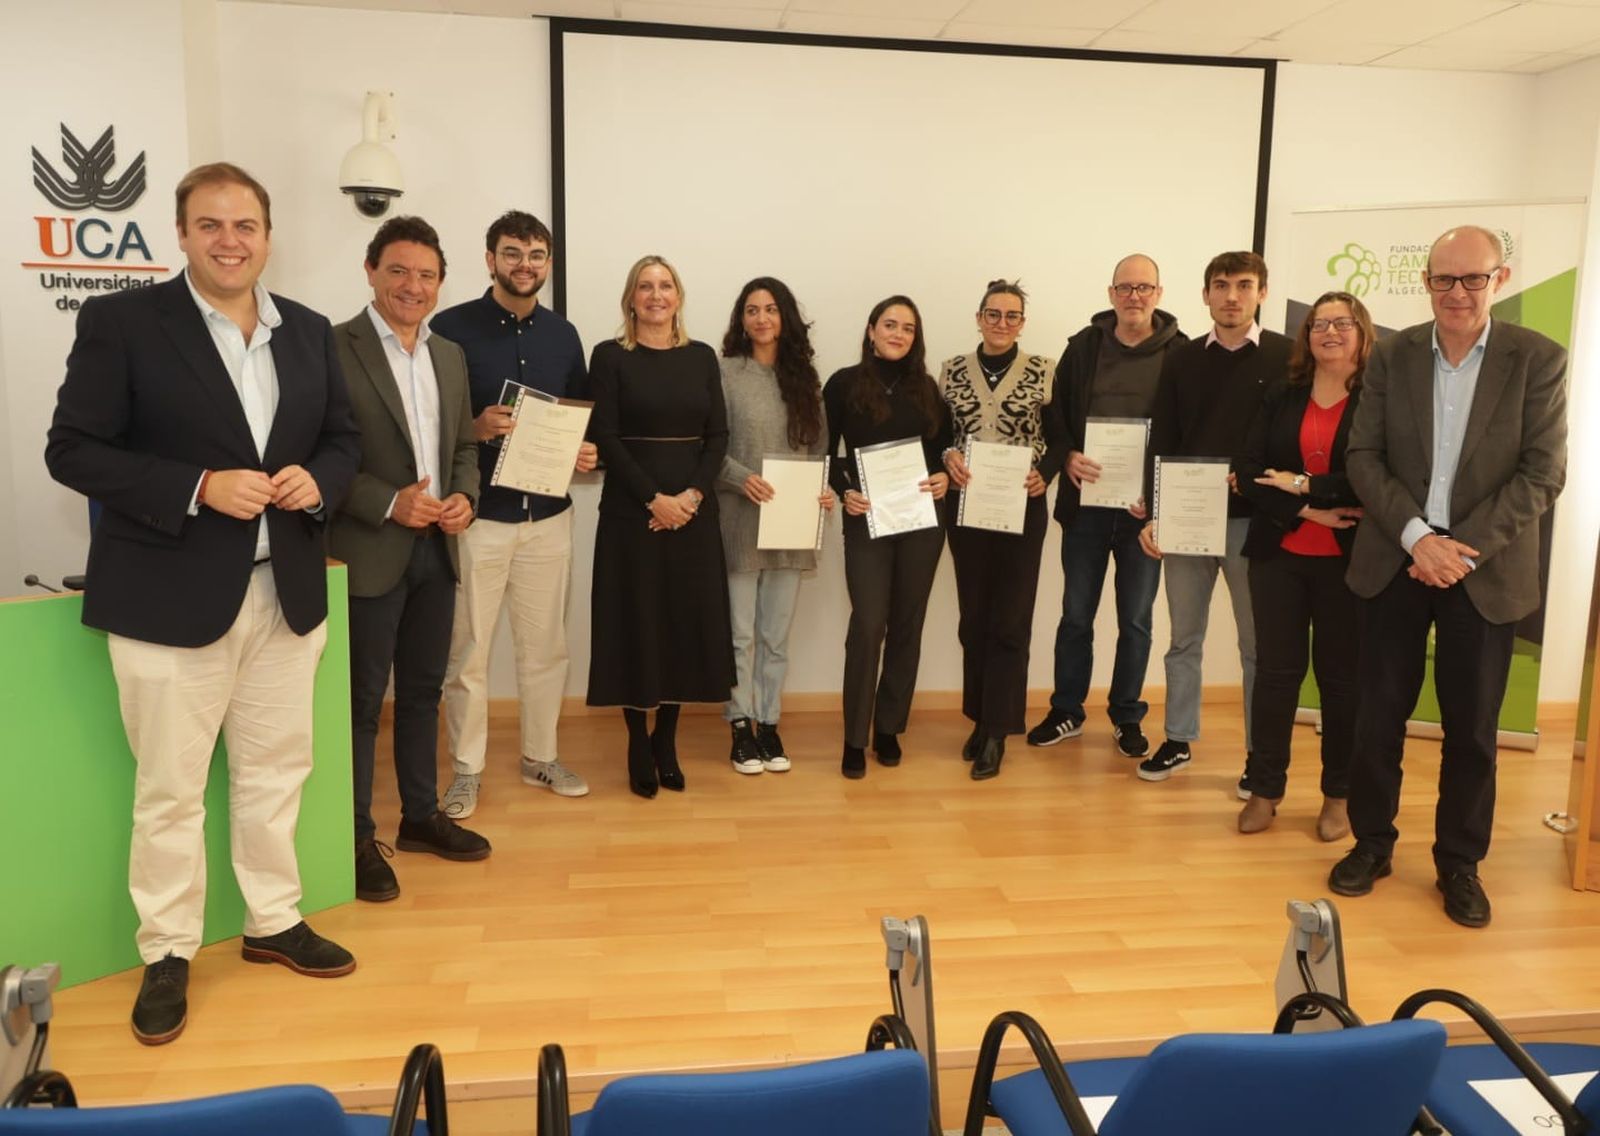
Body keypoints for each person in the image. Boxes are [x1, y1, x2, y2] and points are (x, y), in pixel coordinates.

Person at [44, 162, 361, 1045]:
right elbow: (72, 450)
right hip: (167, 598)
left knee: (276, 772)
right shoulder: (122, 322)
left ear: (269, 235)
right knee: (171, 791)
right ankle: (168, 953)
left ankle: (272, 922)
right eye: (211, 224)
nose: (231, 240)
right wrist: (197, 486)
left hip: (285, 591)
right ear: (180, 233)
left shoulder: (304, 331)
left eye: (247, 225)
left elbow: (343, 439)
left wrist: (318, 482)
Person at [1329, 226, 1568, 928]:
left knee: (1472, 731)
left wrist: (1457, 549)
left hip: (1481, 570)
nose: (1457, 293)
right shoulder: (1393, 356)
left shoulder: (1538, 360)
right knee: (1378, 719)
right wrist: (1416, 537)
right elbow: (1363, 457)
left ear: (1502, 278)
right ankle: (1372, 845)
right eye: (1443, 280)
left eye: (1473, 279)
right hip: (1394, 562)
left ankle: (1459, 863)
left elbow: (1542, 473)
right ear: (1426, 282)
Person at [327, 215, 490, 904]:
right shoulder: (332, 348)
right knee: (363, 703)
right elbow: (320, 458)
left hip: (437, 552)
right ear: (370, 270)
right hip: (369, 551)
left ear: (440, 283)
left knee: (423, 693)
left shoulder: (448, 355)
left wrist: (464, 499)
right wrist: (389, 503)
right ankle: (356, 838)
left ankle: (419, 817)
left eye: (425, 275)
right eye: (398, 270)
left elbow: (462, 448)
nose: (411, 286)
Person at [432, 211, 596, 818]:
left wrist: (585, 449)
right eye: (512, 253)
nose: (524, 265)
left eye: (535, 255)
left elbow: (580, 415)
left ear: (547, 264)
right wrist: (473, 428)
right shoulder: (449, 330)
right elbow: (430, 420)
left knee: (546, 646)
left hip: (549, 516)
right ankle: (467, 770)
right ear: (489, 258)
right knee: (469, 651)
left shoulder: (564, 334)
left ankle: (540, 756)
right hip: (479, 518)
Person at [1137, 251, 1292, 784]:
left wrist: (1258, 476)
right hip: (1188, 519)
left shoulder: (1288, 357)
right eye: (1221, 286)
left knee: (1257, 647)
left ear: (1262, 293)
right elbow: (1164, 436)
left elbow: (1294, 440)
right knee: (1184, 638)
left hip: (1255, 522)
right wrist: (1154, 512)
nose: (1231, 296)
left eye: (1244, 286)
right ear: (1205, 295)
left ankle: (1259, 756)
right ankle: (1177, 738)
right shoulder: (1181, 359)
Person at [587, 255, 734, 797]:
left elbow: (717, 436)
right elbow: (605, 435)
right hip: (633, 513)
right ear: (630, 298)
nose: (655, 295)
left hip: (693, 514)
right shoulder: (609, 356)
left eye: (665, 286)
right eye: (644, 287)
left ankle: (666, 739)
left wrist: (690, 497)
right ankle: (634, 740)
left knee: (681, 625)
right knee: (635, 622)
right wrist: (654, 498)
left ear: (678, 297)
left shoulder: (701, 357)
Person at [1028, 254, 1185, 759]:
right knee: (1076, 614)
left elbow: (1187, 429)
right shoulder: (1083, 347)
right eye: (1125, 287)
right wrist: (1068, 453)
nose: (1134, 296)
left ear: (1159, 293)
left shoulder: (1181, 354)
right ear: (1111, 293)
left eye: (1144, 287)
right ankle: (1067, 709)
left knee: (1136, 619)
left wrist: (1162, 497)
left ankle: (1126, 715)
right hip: (1087, 509)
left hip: (1144, 514)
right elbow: (1056, 417)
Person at [1234, 292, 1370, 838]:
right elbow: (1248, 471)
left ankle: (1338, 795)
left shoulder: (1377, 399)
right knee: (1276, 676)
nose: (1329, 332)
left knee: (1342, 683)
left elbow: (1369, 480)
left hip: (1348, 564)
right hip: (1279, 557)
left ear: (1361, 332)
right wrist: (1310, 506)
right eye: (1319, 324)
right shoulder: (1281, 394)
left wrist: (1296, 481)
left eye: (1342, 323)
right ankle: (1265, 790)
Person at [824, 295, 952, 779]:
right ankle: (854, 737)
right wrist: (845, 490)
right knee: (869, 624)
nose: (898, 334)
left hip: (921, 521)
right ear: (872, 329)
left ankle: (889, 729)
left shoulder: (927, 388)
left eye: (908, 328)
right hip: (867, 519)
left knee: (906, 624)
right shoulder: (844, 384)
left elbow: (942, 449)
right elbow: (825, 449)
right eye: (890, 325)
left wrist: (942, 476)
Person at [939, 279, 1062, 780]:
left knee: (1010, 620)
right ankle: (979, 716)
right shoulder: (949, 372)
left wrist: (1045, 472)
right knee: (975, 619)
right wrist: (947, 454)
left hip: (1021, 506)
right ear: (979, 317)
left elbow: (1062, 436)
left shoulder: (1044, 371)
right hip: (966, 506)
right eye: (994, 314)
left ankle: (998, 731)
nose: (1002, 323)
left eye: (1012, 316)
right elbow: (938, 434)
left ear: (1022, 324)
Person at [716, 277, 835, 775]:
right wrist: (742, 479)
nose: (761, 319)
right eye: (751, 310)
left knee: (775, 635)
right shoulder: (722, 374)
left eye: (770, 309)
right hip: (741, 519)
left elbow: (819, 452)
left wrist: (824, 490)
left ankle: (769, 723)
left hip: (791, 525)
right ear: (741, 321)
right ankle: (740, 725)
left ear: (785, 318)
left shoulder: (806, 381)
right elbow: (708, 448)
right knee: (739, 634)